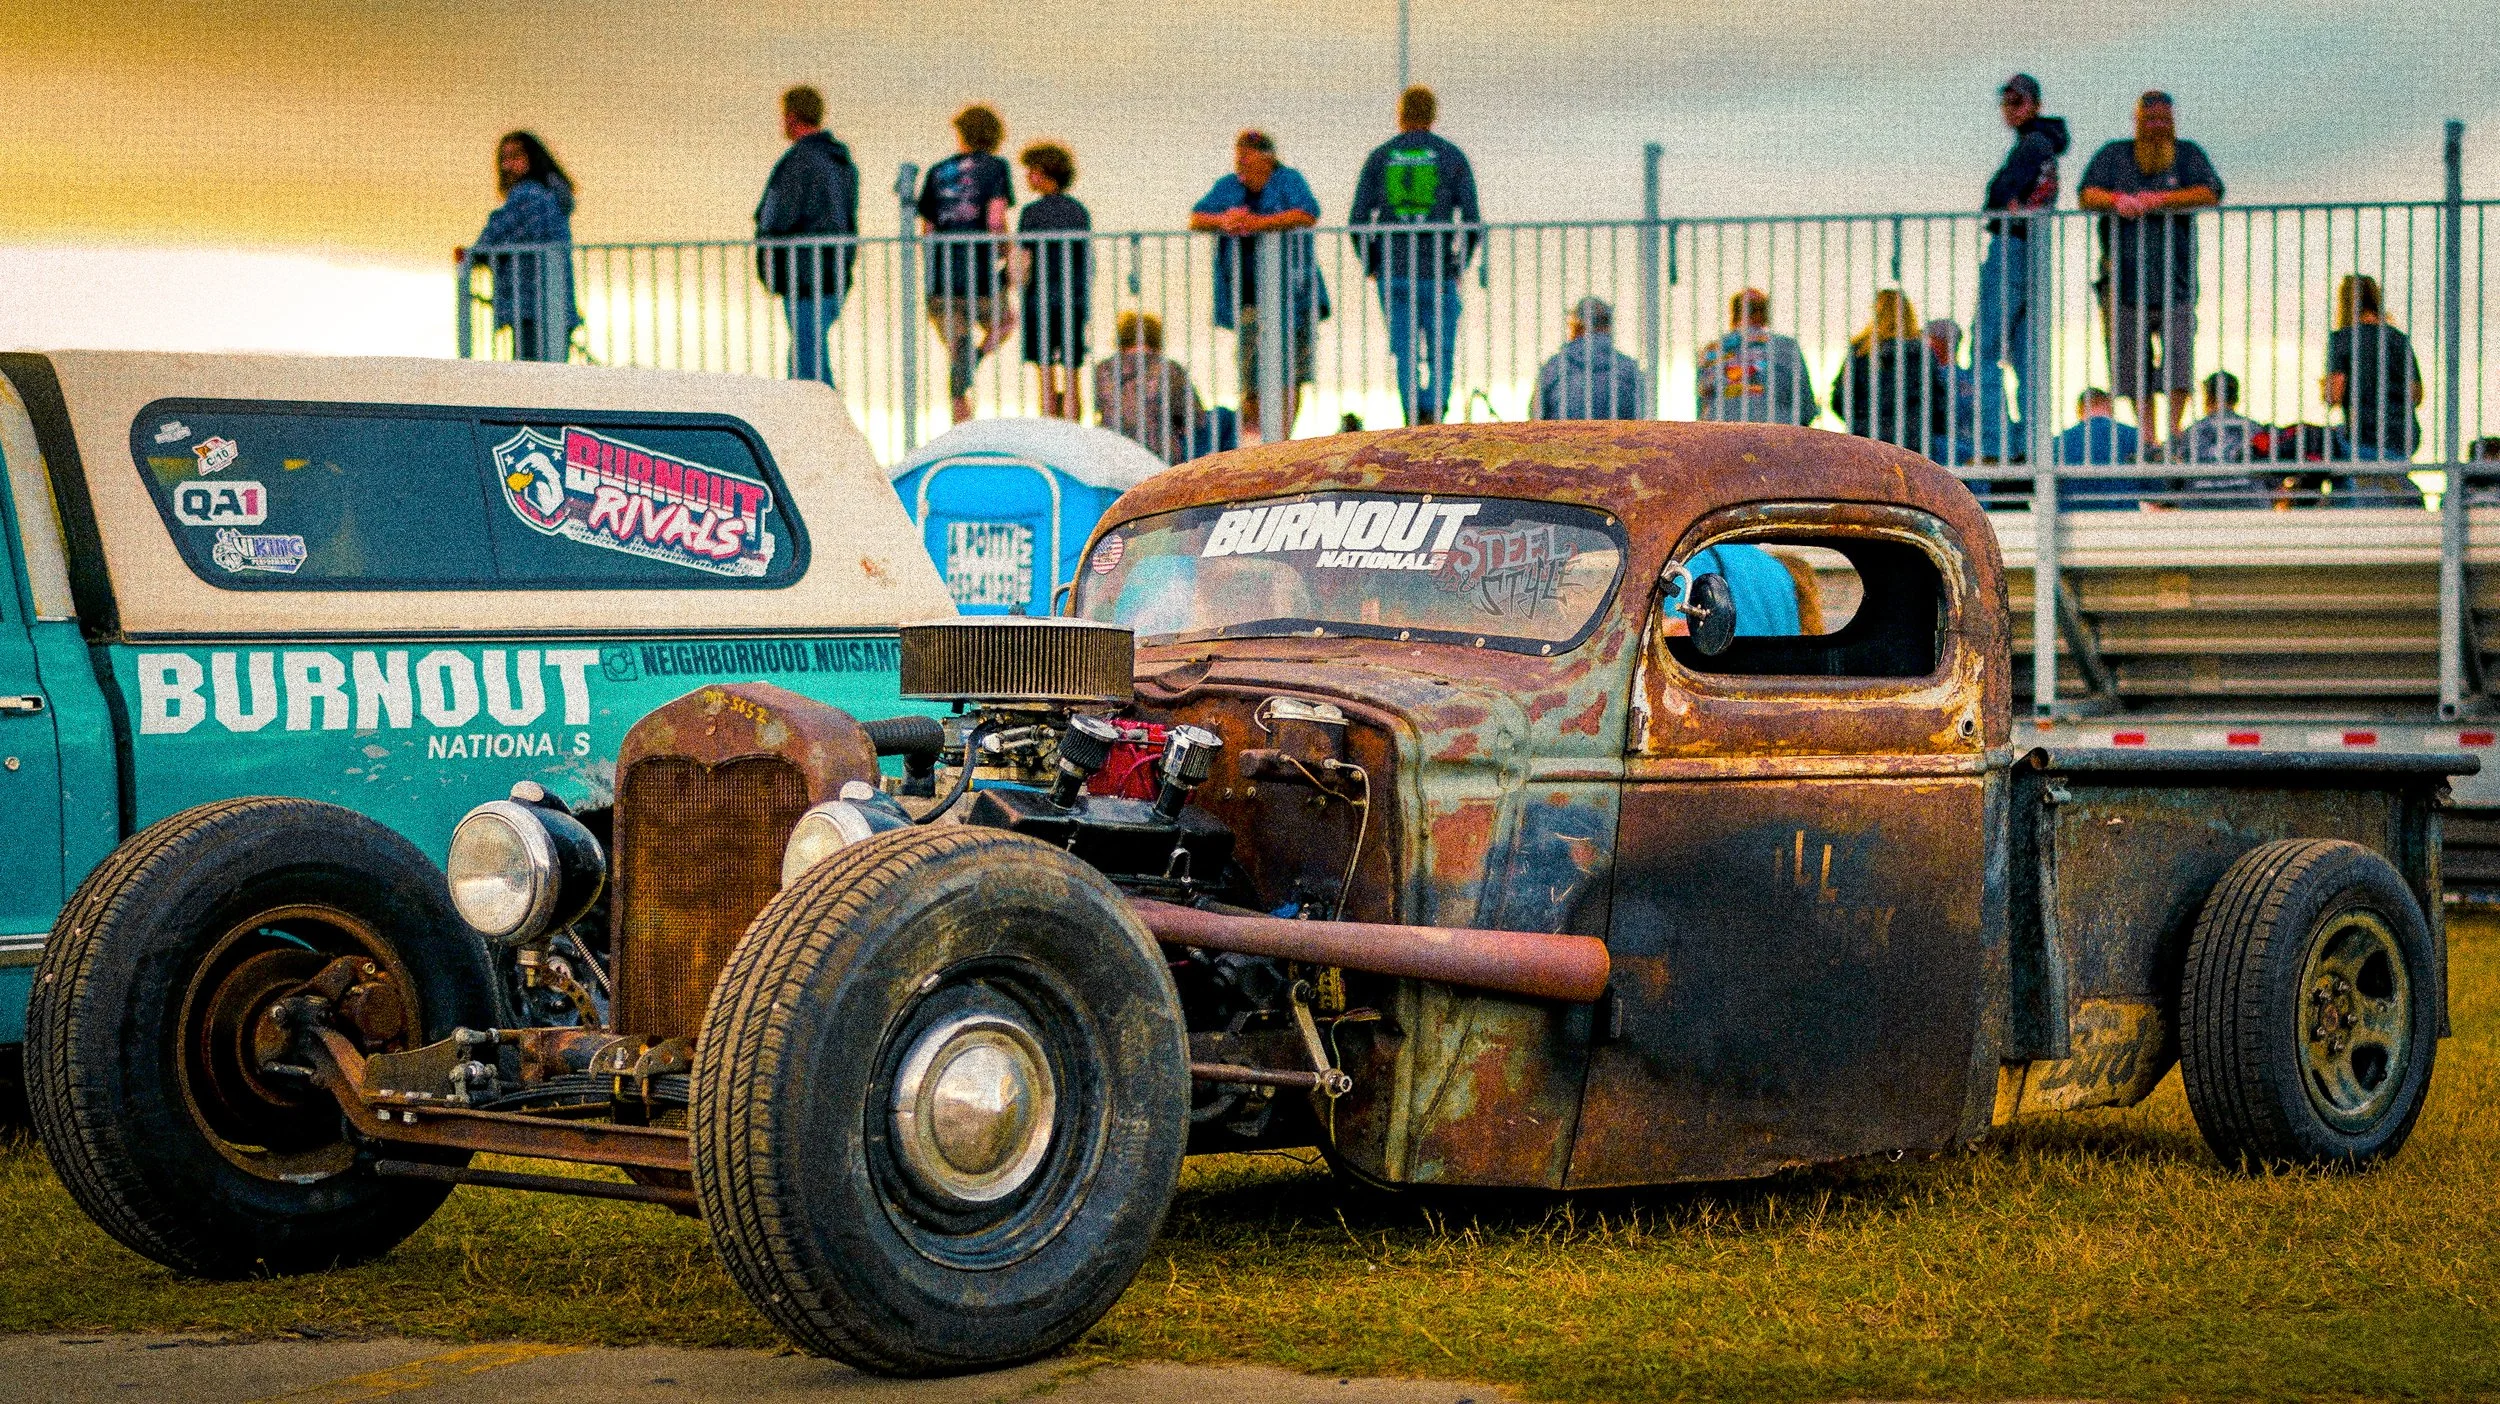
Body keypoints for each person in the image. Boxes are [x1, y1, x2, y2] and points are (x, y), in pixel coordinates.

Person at [2078, 91, 2223, 446]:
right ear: (2138, 120)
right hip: (2123, 279)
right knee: (2129, 362)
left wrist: (2160, 200)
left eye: (2164, 119)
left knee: (2179, 358)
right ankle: (2148, 434)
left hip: (2176, 279)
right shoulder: (2114, 155)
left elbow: (2211, 191)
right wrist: (2117, 200)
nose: (2158, 125)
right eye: (2151, 119)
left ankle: (2173, 431)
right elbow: (2086, 194)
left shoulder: (2187, 155)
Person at [1348, 86, 1481, 426]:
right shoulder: (1451, 156)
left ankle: (1413, 415)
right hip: (1438, 270)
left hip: (1394, 270)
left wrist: (1372, 264)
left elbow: (1358, 220)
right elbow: (1472, 220)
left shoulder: (1381, 157)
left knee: (1404, 349)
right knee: (1441, 350)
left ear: (1401, 114)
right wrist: (1459, 264)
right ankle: (1434, 411)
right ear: (1433, 115)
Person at [1190, 130, 1325, 443]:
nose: (1240, 165)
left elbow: (1307, 212)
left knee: (1293, 373)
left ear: (1266, 157)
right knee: (1251, 377)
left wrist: (1257, 224)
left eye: (1246, 157)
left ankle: (1282, 441)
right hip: (1248, 298)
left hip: (1295, 294)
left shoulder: (1289, 180)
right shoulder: (1229, 185)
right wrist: (1225, 220)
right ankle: (1256, 443)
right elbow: (1197, 217)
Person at [1975, 74, 2069, 462]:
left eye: (2017, 103)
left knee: (1985, 350)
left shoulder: (2032, 145)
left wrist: (2002, 201)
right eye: (2007, 103)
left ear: (2034, 104)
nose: (2010, 110)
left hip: (2013, 243)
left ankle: (1998, 445)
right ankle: (2030, 446)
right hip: (2033, 246)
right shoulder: (2044, 144)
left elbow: (1999, 195)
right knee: (2026, 354)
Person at [753, 86, 858, 387]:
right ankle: (816, 415)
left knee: (806, 358)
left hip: (804, 273)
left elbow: (776, 216)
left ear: (791, 116)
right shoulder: (841, 162)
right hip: (834, 270)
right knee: (810, 349)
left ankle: (814, 422)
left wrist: (767, 250)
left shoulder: (799, 161)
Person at [918, 105, 1016, 424]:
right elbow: (995, 219)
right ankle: (977, 357)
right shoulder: (995, 168)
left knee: (956, 349)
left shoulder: (937, 172)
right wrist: (1005, 251)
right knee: (1006, 320)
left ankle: (961, 419)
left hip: (942, 278)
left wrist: (935, 270)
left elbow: (927, 231)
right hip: (981, 275)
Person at [470, 131, 577, 363]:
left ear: (533, 158)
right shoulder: (553, 197)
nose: (508, 165)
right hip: (557, 304)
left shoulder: (528, 194)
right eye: (504, 159)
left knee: (529, 380)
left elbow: (493, 238)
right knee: (552, 380)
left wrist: (473, 256)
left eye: (516, 156)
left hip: (531, 304)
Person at [1011, 143, 1091, 420]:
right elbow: (1086, 260)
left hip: (1039, 300)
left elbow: (1024, 262)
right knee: (1072, 372)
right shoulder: (1078, 212)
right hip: (1074, 299)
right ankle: (1073, 427)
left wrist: (1009, 281)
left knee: (1045, 372)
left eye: (1031, 171)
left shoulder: (1031, 213)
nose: (1028, 177)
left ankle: (1050, 428)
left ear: (1043, 172)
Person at [2324, 274, 2424, 465]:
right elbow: (2416, 394)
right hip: (2404, 436)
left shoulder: (2342, 339)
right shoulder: (2399, 339)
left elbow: (2335, 394)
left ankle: (2344, 495)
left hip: (2364, 436)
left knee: (2325, 448)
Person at [1829, 290, 1945, 453]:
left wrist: (1860, 421)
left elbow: (1840, 399)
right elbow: (1939, 402)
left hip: (1867, 441)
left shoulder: (1860, 352)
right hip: (1913, 443)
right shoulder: (1922, 354)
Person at [1093, 311, 1206, 464]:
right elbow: (1196, 420)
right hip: (1158, 458)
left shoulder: (1103, 370)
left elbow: (1101, 410)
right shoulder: (1169, 369)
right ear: (1156, 338)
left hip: (1113, 455)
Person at [1695, 288, 1817, 426]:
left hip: (1719, 434)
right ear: (1764, 315)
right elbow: (1806, 408)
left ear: (1734, 315)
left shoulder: (1710, 350)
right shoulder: (1786, 347)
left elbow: (1701, 406)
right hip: (1777, 433)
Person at [1532, 296, 1645, 420]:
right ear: (1608, 325)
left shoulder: (1553, 367)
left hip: (1565, 438)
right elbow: (1643, 416)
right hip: (1616, 439)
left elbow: (1535, 419)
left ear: (1574, 325)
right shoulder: (1628, 368)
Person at [2053, 388, 2164, 510]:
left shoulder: (2058, 442)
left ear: (2079, 411)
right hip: (2120, 519)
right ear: (2110, 407)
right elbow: (2156, 488)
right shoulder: (2134, 436)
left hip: (2070, 522)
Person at [2173, 371, 2269, 507]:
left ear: (2208, 397)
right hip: (2250, 503)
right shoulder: (2255, 429)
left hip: (2200, 504)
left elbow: (2174, 477)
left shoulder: (2191, 432)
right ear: (2236, 398)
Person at [1926, 318, 1980, 467]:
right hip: (1973, 449)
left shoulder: (1933, 377)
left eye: (1929, 340)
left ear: (1939, 343)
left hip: (1944, 451)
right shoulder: (1971, 378)